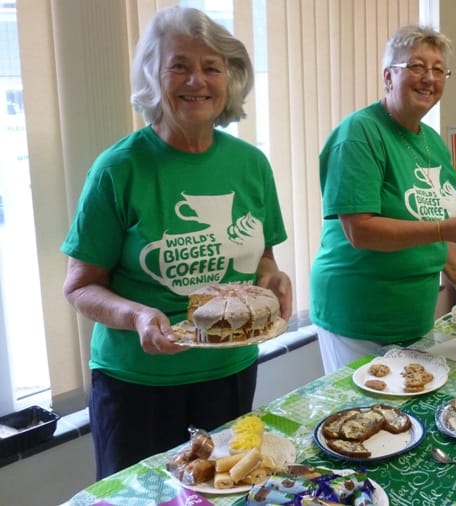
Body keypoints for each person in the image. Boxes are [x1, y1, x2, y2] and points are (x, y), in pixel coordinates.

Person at [61, 6, 292, 479]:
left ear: (230, 80)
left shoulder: (250, 164)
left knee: (225, 487)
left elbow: (261, 256)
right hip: (138, 385)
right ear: (154, 77)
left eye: (212, 68)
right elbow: (80, 286)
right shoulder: (118, 169)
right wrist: (138, 315)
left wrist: (273, 278)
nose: (197, 81)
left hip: (229, 374)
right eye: (180, 66)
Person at [310, 25, 456, 374]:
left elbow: (433, 227)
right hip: (357, 316)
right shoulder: (359, 133)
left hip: (413, 316)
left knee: (409, 418)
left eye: (438, 70)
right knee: (367, 418)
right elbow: (361, 231)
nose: (429, 78)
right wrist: (444, 229)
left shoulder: (433, 144)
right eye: (416, 66)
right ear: (388, 76)